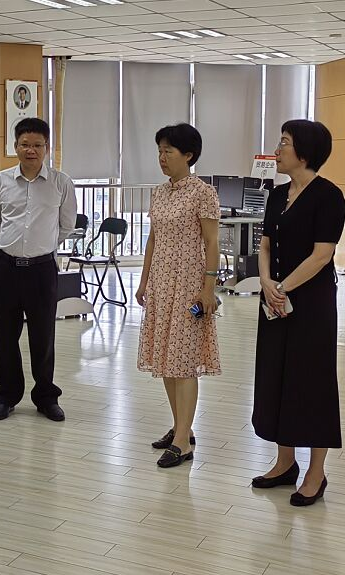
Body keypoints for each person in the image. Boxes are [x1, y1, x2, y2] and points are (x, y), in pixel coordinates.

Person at [251, 120, 345, 507]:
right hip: (275, 299)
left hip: (310, 303)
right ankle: (285, 462)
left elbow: (322, 255)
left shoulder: (329, 197)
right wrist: (265, 282)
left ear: (304, 153)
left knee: (312, 380)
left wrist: (283, 287)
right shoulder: (277, 194)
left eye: (284, 143)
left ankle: (316, 472)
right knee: (276, 376)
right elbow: (265, 245)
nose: (277, 150)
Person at [136, 123, 221, 468]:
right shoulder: (159, 193)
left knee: (184, 362)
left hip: (189, 284)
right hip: (161, 284)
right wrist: (144, 282)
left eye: (168, 151)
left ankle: (183, 442)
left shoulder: (203, 192)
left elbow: (212, 242)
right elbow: (153, 239)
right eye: (159, 151)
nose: (162, 157)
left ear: (188, 155)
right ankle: (180, 428)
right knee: (166, 360)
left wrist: (208, 288)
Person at [0, 117, 76, 423]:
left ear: (46, 147)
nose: (31, 150)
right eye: (25, 144)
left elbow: (66, 225)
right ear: (16, 146)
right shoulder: (0, 181)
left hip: (42, 270)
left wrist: (42, 245)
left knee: (43, 336)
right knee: (5, 336)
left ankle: (46, 397)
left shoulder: (61, 183)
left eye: (38, 145)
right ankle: (7, 396)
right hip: (6, 268)